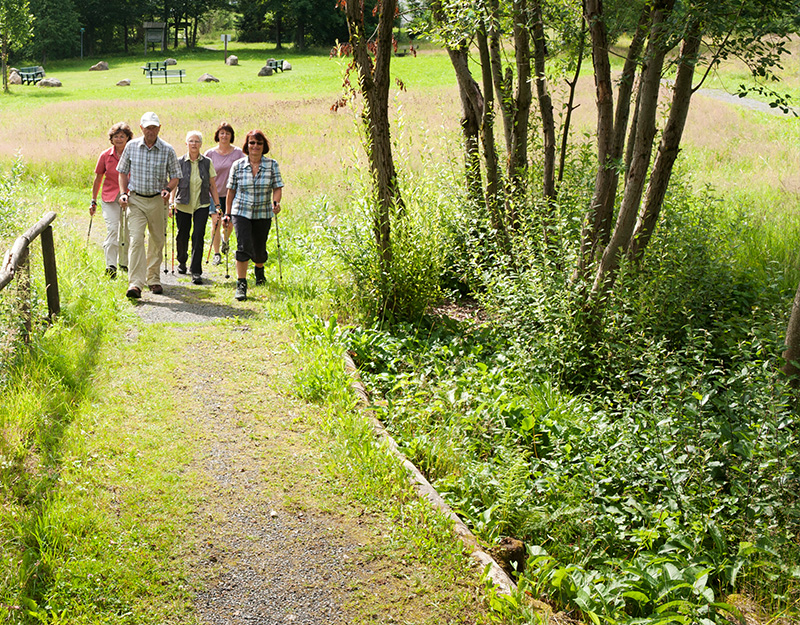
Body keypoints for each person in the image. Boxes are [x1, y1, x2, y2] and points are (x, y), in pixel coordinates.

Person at [118, 111, 182, 299]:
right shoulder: (131, 146)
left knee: (157, 240)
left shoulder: (167, 149)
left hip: (157, 200)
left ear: (159, 128)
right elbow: (122, 171)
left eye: (154, 127)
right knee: (136, 239)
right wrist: (123, 193)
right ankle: (135, 284)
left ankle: (153, 279)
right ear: (141, 128)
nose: (150, 131)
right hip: (136, 199)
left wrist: (168, 189)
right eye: (147, 127)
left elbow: (176, 175)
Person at [223, 129, 284, 302]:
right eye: (252, 143)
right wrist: (227, 213)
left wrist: (276, 202)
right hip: (241, 210)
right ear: (246, 145)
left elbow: (277, 186)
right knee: (243, 246)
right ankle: (241, 284)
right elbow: (231, 190)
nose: (255, 146)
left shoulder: (272, 165)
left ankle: (259, 269)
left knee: (259, 248)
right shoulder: (238, 165)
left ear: (263, 146)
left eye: (258, 143)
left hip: (263, 211)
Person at [171, 130, 221, 285]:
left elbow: (212, 185)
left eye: (197, 141)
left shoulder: (206, 162)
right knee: (182, 235)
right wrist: (171, 202)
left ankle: (196, 271)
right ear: (186, 144)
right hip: (183, 204)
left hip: (202, 204)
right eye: (191, 141)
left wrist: (218, 205)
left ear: (201, 144)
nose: (194, 144)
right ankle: (182, 260)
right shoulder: (179, 162)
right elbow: (174, 184)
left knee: (198, 236)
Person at [90, 122, 133, 279]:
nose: (119, 139)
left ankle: (125, 262)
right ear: (111, 139)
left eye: (122, 136)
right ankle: (111, 265)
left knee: (127, 231)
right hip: (109, 198)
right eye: (116, 136)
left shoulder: (133, 155)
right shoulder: (105, 155)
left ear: (128, 138)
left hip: (130, 197)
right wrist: (93, 200)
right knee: (113, 229)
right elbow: (98, 178)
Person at [204, 122, 243, 266]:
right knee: (216, 223)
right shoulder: (210, 154)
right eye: (222, 133)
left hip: (232, 194)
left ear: (231, 136)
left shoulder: (238, 153)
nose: (224, 136)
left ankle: (225, 242)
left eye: (227, 133)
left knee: (229, 225)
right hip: (214, 194)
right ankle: (216, 254)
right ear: (217, 135)